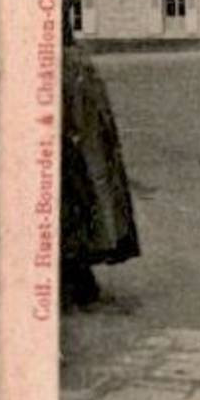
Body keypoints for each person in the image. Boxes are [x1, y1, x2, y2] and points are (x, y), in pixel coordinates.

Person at [59, 20, 140, 309]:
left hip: (74, 144)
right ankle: (78, 274)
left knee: (77, 201)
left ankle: (76, 276)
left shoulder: (71, 65)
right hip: (78, 144)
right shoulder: (77, 64)